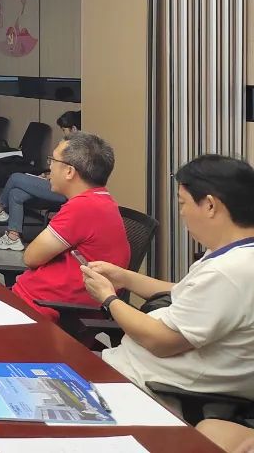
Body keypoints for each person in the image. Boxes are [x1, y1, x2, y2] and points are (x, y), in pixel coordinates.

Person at [83, 154, 254, 399]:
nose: (181, 213)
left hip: (144, 387)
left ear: (210, 205)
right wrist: (124, 277)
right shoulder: (233, 254)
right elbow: (185, 292)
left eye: (183, 203)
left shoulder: (229, 271)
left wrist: (108, 298)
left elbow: (161, 342)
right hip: (129, 366)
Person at [9, 133, 129, 321]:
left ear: (69, 172)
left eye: (53, 160)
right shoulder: (100, 201)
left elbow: (31, 257)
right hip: (39, 301)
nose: (49, 166)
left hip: (42, 310)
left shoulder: (83, 207)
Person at [0, 109, 86, 249]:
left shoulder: (78, 150)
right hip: (55, 183)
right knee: (16, 193)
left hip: (64, 191)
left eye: (64, 130)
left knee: (15, 177)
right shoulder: (71, 146)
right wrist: (47, 175)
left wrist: (51, 176)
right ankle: (13, 237)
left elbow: (70, 175)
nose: (63, 133)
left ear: (74, 129)